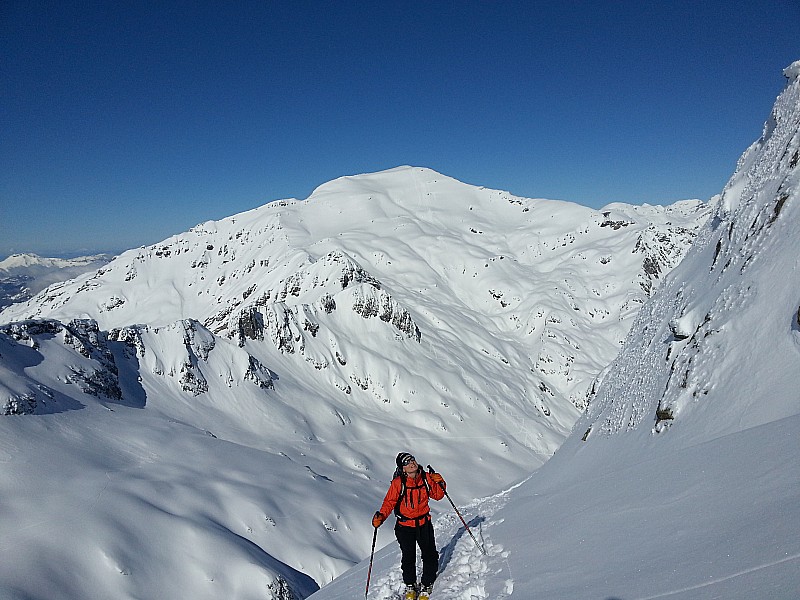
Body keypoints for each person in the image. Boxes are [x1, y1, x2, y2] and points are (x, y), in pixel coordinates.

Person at [372, 452, 446, 600]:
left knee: (429, 554)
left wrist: (440, 482)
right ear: (403, 469)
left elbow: (438, 495)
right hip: (405, 526)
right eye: (406, 462)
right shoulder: (398, 483)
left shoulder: (425, 478)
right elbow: (390, 502)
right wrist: (381, 516)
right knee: (408, 556)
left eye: (412, 460)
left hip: (423, 523)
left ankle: (427, 583)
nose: (411, 463)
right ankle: (410, 585)